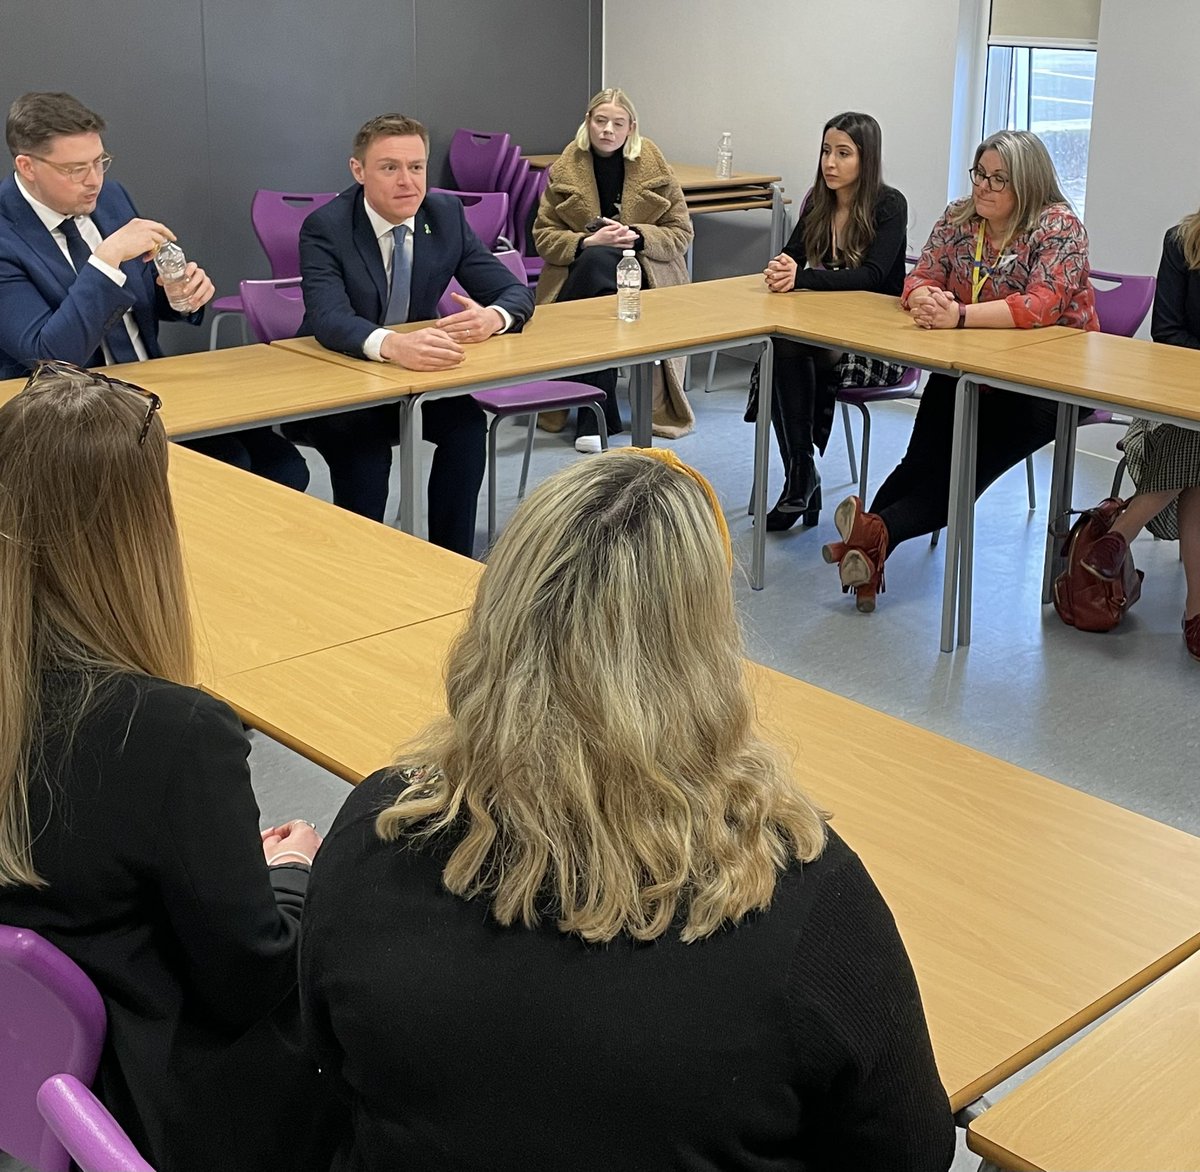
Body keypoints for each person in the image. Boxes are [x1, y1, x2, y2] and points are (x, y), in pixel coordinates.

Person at [299, 450, 956, 1171]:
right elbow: (912, 1153)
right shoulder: (806, 899)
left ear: (497, 612)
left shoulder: (376, 832)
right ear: (705, 647)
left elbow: (327, 1076)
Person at [0, 362, 343, 1172]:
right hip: (143, 1090)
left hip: (31, 1052)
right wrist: (289, 873)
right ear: (142, 527)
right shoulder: (171, 734)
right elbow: (248, 980)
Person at [822, 129, 1097, 611]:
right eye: (980, 174)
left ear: (1028, 184)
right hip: (969, 363)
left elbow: (1042, 305)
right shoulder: (959, 218)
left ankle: (870, 538)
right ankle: (869, 545)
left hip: (1047, 382)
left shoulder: (1058, 227)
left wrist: (961, 315)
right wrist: (926, 297)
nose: (984, 188)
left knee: (961, 474)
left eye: (998, 179)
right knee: (921, 461)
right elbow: (921, 276)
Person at [0, 91, 308, 491]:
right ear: (27, 166)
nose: (94, 180)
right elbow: (50, 357)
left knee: (283, 467)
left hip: (152, 388)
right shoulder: (7, 236)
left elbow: (140, 296)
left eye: (99, 162)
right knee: (231, 469)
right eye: (75, 169)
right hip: (70, 416)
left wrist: (179, 294)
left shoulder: (111, 197)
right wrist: (106, 258)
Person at [298, 113, 535, 557]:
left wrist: (494, 318)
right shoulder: (326, 226)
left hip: (414, 378)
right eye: (389, 168)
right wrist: (392, 344)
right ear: (358, 171)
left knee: (466, 430)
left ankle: (450, 561)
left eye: (417, 167)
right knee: (366, 454)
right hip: (340, 379)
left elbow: (512, 290)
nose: (407, 181)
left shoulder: (444, 215)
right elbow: (328, 318)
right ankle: (363, 570)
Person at [758, 111, 908, 529]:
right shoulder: (818, 201)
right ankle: (802, 474)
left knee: (784, 352)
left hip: (875, 337)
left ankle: (801, 479)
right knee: (778, 347)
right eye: (826, 151)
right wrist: (780, 269)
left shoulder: (888, 204)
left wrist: (802, 278)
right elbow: (791, 254)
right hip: (820, 331)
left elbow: (875, 276)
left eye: (844, 153)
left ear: (867, 159)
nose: (830, 163)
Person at [533, 87, 694, 451]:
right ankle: (598, 414)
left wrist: (636, 237)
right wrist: (588, 242)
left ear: (631, 127)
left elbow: (681, 233)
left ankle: (594, 416)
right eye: (600, 121)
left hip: (647, 273)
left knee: (600, 271)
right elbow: (543, 237)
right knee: (599, 267)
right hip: (585, 269)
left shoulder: (656, 168)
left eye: (617, 123)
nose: (607, 130)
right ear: (588, 123)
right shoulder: (565, 169)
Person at [1077, 211, 1200, 660]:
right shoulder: (1183, 241)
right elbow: (1167, 334)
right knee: (1196, 446)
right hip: (1171, 406)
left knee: (1195, 444)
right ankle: (1196, 613)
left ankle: (1122, 532)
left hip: (1180, 429)